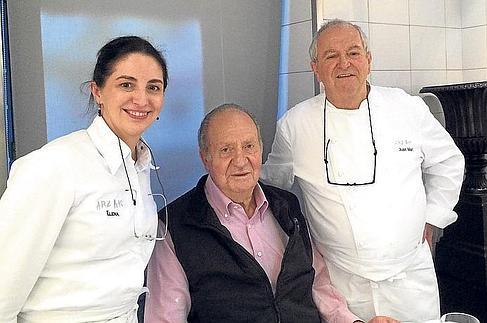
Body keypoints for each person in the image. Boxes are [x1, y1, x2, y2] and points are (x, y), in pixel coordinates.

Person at [261, 19, 465, 322]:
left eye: (354, 53)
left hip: (409, 279)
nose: (344, 63)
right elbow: (273, 185)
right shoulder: (295, 124)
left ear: (368, 61)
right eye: (331, 56)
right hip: (342, 283)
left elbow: (448, 161)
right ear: (315, 68)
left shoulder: (407, 108)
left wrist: (434, 217)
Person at [144, 104, 398, 323]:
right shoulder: (174, 226)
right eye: (226, 150)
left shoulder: (288, 206)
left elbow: (318, 286)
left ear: (260, 150)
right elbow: (166, 316)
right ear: (205, 158)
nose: (241, 160)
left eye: (249, 146)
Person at [0, 36, 169, 322]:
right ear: (97, 92)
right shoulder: (54, 166)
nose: (141, 99)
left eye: (153, 87)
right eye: (126, 84)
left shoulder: (139, 165)